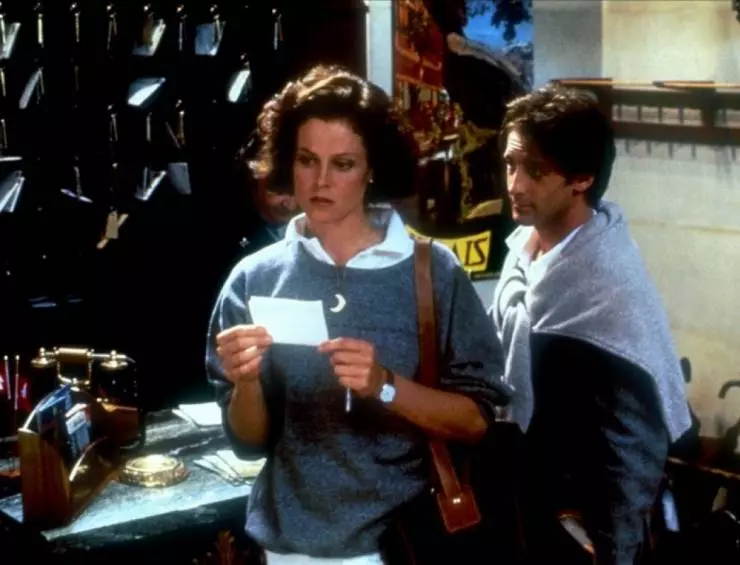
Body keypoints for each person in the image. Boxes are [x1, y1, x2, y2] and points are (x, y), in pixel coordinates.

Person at [206, 64, 510, 565]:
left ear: (372, 169)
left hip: (402, 545)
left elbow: (477, 421)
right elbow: (248, 444)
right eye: (307, 160)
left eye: (343, 164)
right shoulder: (254, 277)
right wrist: (246, 383)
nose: (321, 181)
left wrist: (384, 385)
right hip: (287, 549)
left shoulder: (433, 272)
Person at [489, 85, 692, 565]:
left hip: (585, 522)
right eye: (511, 165)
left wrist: (612, 548)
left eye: (536, 170)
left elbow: (634, 438)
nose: (516, 184)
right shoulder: (524, 248)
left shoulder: (606, 277)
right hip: (522, 496)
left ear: (581, 178)